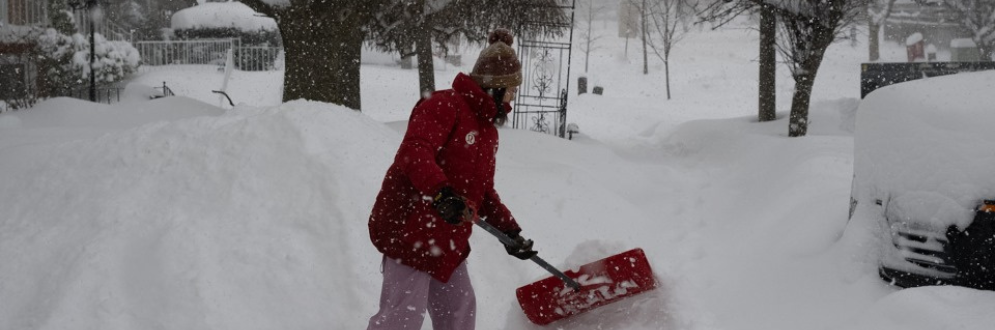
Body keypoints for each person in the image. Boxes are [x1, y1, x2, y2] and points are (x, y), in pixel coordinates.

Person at [366, 28, 538, 330]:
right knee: (401, 319)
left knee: (459, 314)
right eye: (511, 89)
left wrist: (510, 232)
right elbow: (414, 152)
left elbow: (482, 192)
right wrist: (442, 193)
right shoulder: (444, 105)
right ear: (493, 87)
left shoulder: (487, 132)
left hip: (448, 239)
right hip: (411, 231)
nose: (513, 96)